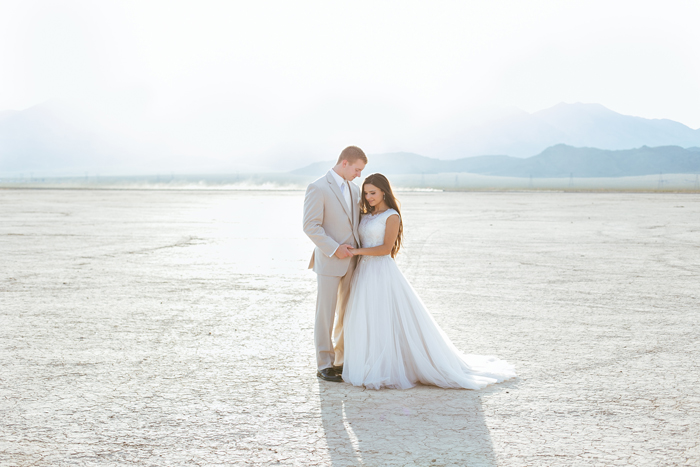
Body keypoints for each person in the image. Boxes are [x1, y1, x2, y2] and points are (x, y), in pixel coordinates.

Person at [342, 173, 516, 389]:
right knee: (367, 317)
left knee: (385, 317)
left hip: (381, 272)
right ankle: (369, 362)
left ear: (384, 192)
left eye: (373, 193)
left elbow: (386, 249)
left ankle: (390, 367)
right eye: (366, 193)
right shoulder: (366, 215)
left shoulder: (391, 216)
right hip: (364, 272)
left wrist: (357, 251)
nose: (369, 197)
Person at [302, 146, 367, 382]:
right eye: (357, 169)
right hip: (329, 261)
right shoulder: (318, 187)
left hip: (353, 261)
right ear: (345, 163)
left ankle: (341, 360)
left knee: (347, 313)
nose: (359, 174)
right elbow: (311, 226)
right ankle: (324, 364)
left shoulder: (355, 189)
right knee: (325, 314)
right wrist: (334, 248)